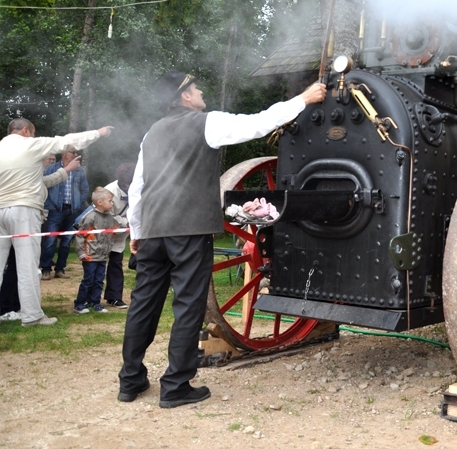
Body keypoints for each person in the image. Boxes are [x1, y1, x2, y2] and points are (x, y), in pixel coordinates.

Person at [118, 71, 327, 408]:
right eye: (195, 87)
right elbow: (259, 123)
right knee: (188, 305)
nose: (200, 91)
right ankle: (175, 386)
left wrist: (137, 231)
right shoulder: (207, 122)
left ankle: (129, 381)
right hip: (188, 229)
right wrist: (304, 98)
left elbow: (138, 188)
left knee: (143, 304)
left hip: (154, 230)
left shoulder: (152, 133)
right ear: (184, 96)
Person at [0, 118, 113, 326]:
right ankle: (32, 316)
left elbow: (39, 182)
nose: (33, 137)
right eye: (32, 133)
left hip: (1, 210)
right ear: (26, 130)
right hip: (24, 211)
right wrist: (98, 132)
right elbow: (67, 141)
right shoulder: (29, 144)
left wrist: (64, 172)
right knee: (27, 265)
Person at [0, 159, 76, 321]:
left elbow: (45, 181)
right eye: (48, 158)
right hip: (20, 220)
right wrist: (66, 169)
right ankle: (6, 308)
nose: (50, 161)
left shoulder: (30, 171)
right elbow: (44, 182)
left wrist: (66, 170)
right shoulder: (26, 169)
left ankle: (15, 305)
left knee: (17, 265)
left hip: (19, 219)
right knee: (17, 266)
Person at [73, 187, 128, 314]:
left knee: (99, 280)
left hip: (103, 256)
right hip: (90, 256)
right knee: (88, 280)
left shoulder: (110, 217)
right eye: (110, 201)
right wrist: (81, 252)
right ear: (100, 202)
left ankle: (95, 302)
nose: (112, 203)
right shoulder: (90, 217)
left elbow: (115, 229)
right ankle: (80, 303)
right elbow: (80, 235)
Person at [40, 150, 90, 280]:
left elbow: (85, 189)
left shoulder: (79, 170)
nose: (75, 154)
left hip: (72, 210)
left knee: (66, 242)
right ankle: (46, 268)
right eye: (71, 152)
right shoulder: (52, 168)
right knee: (50, 240)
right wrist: (50, 205)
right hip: (55, 210)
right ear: (63, 154)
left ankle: (60, 269)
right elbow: (43, 187)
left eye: (76, 152)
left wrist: (78, 205)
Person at [102, 162, 135, 308]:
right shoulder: (109, 190)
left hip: (120, 235)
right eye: (128, 184)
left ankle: (114, 297)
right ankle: (90, 299)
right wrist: (125, 222)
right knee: (97, 266)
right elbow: (105, 215)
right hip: (104, 232)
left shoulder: (138, 187)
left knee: (116, 263)